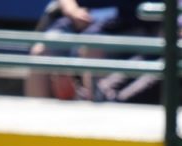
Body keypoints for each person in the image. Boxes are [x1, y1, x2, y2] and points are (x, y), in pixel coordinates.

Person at [24, 0, 153, 99]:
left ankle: (92, 115)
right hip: (75, 21)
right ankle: (32, 124)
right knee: (40, 53)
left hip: (122, 26)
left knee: (91, 48)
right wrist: (73, 11)